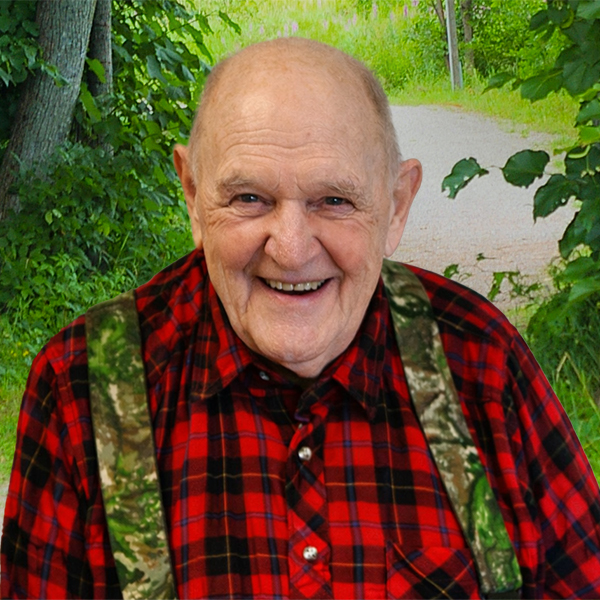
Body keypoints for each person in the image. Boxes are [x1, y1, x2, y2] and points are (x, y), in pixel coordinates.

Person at [2, 37, 600, 600]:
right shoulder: (84, 386)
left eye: (334, 201)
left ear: (396, 205)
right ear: (193, 197)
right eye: (249, 199)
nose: (290, 250)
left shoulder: (481, 361)